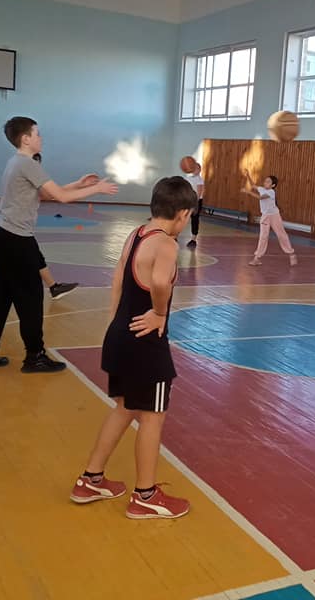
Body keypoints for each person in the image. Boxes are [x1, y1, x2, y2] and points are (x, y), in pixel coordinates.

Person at [69, 176, 197, 519]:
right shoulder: (166, 244)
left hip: (120, 334)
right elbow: (159, 282)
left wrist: (114, 323)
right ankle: (145, 496)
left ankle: (91, 479)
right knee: (153, 417)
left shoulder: (137, 234)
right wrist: (159, 313)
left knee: (125, 407)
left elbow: (117, 278)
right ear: (183, 214)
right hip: (146, 344)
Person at [0, 116, 117, 373]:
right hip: (15, 238)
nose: (41, 138)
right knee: (31, 297)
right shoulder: (28, 164)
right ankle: (35, 356)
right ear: (26, 139)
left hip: (0, 232)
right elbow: (60, 197)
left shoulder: (17, 162)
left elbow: (46, 194)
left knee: (0, 297)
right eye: (37, 134)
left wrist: (79, 184)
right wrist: (97, 189)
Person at [0, 152, 77, 305]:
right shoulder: (25, 175)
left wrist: (78, 184)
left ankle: (53, 287)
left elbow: (51, 194)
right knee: (12, 264)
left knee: (30, 260)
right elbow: (56, 195)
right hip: (12, 230)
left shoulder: (23, 174)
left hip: (12, 229)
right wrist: (93, 188)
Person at [241, 169, 298, 266]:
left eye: (268, 181)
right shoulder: (261, 189)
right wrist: (248, 175)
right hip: (265, 216)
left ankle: (291, 254)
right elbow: (253, 185)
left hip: (275, 216)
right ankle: (257, 258)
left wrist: (248, 192)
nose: (265, 182)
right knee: (263, 236)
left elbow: (261, 198)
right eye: (265, 181)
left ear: (273, 185)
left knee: (281, 234)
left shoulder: (271, 192)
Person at [185, 162, 204, 249]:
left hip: (196, 201)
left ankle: (193, 240)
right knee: (182, 218)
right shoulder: (188, 178)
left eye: (197, 168)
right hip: (188, 200)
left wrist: (195, 203)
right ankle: (174, 236)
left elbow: (199, 192)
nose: (195, 170)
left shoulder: (199, 180)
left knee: (195, 219)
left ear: (199, 170)